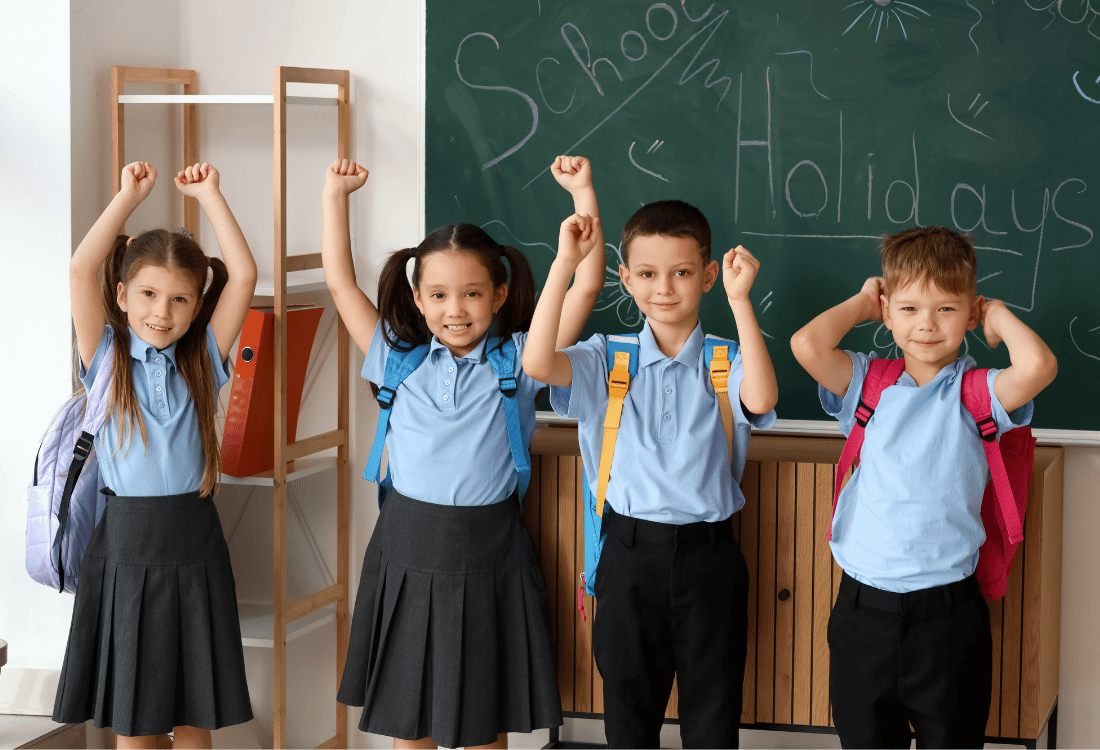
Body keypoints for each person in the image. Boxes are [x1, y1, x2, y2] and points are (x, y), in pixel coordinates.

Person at [324, 156, 606, 749]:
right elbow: (341, 283)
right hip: (405, 550)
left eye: (473, 293)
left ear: (499, 295)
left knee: (483, 726)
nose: (455, 310)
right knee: (408, 723)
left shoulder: (521, 361)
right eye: (439, 295)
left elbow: (585, 287)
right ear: (418, 299)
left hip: (489, 555)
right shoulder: (394, 358)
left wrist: (583, 198)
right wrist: (335, 197)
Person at [790, 225, 1058, 748]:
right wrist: (864, 302)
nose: (927, 324)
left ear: (969, 314)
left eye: (946, 309)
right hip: (863, 610)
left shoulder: (978, 393)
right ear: (888, 312)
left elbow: (1039, 365)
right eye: (909, 309)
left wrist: (996, 314)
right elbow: (807, 344)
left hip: (949, 616)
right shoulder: (868, 384)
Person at [523, 199, 778, 749]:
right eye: (647, 274)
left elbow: (761, 398)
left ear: (708, 276)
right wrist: (565, 264)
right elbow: (538, 363)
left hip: (711, 557)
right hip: (628, 555)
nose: (664, 288)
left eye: (681, 273)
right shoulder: (605, 357)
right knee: (629, 720)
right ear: (625, 279)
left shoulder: (726, 359)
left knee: (713, 718)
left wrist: (740, 302)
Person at [54, 161, 257, 750]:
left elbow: (243, 274)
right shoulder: (105, 360)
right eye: (147, 294)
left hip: (194, 544)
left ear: (196, 306)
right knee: (137, 721)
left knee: (194, 716)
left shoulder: (203, 362)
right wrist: (127, 198)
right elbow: (81, 267)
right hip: (125, 547)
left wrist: (211, 195)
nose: (161, 313)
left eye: (179, 299)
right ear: (121, 295)